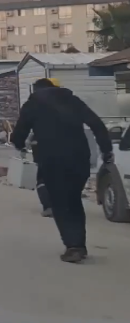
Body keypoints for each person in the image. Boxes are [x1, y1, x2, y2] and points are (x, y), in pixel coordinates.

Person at [11, 78, 113, 263]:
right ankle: (78, 244)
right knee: (74, 199)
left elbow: (19, 132)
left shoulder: (32, 104)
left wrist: (19, 145)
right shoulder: (72, 100)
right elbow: (96, 124)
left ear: (35, 90)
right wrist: (106, 150)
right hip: (79, 158)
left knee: (60, 202)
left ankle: (74, 246)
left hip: (52, 160)